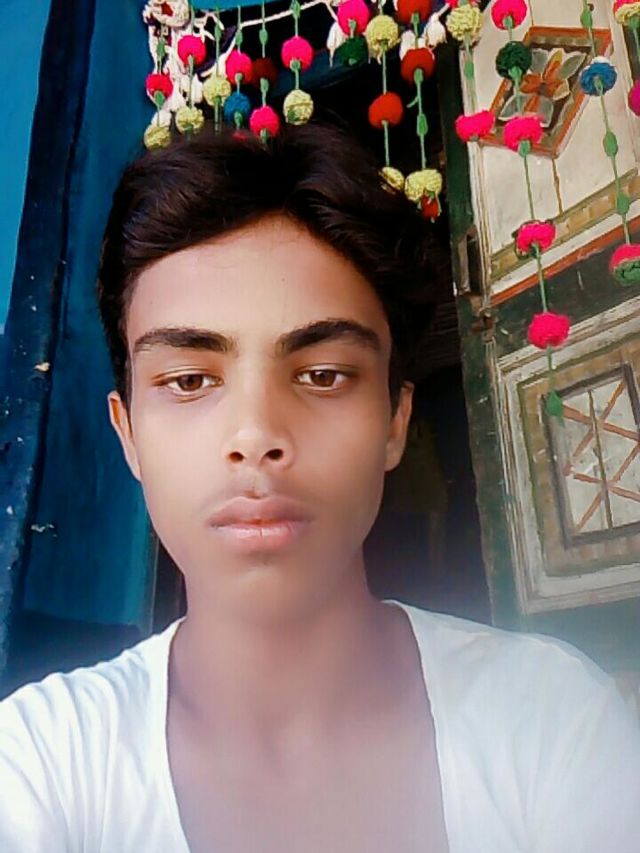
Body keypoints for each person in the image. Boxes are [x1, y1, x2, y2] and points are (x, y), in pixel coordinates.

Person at [0, 123, 639, 853]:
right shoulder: (40, 767)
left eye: (324, 375)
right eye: (190, 380)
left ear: (395, 420)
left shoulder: (552, 722)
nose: (256, 434)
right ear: (129, 435)